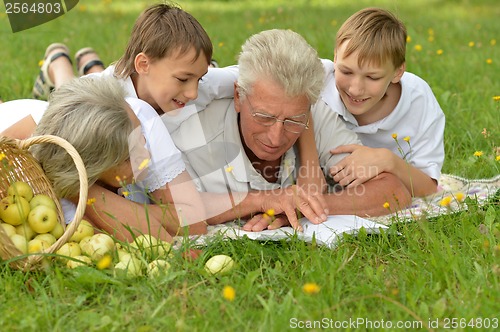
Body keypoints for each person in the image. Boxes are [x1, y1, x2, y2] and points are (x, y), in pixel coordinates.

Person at [164, 29, 412, 232]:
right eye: (264, 117)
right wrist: (263, 201)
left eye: (293, 121)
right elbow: (170, 208)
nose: (276, 137)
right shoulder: (190, 128)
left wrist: (306, 205)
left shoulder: (316, 114)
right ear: (238, 96)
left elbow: (393, 190)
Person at [2, 76, 207, 243]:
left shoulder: (132, 115)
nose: (146, 157)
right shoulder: (44, 198)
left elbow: (195, 222)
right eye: (128, 158)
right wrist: (80, 188)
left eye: (142, 139)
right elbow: (157, 240)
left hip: (60, 118)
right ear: (90, 168)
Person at [323, 8, 445, 197]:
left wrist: (387, 160)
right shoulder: (318, 79)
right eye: (346, 72)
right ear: (335, 58)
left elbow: (428, 188)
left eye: (372, 77)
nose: (355, 89)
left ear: (397, 72)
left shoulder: (419, 101)